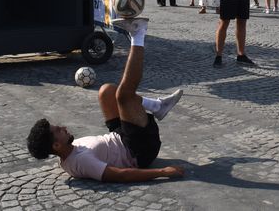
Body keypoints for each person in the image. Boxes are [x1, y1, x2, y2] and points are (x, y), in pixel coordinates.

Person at [26, 18, 185, 182]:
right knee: (124, 95)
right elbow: (119, 174)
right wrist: (162, 171)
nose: (63, 127)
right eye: (58, 130)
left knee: (106, 91)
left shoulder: (67, 151)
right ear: (57, 145)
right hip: (138, 149)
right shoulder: (80, 162)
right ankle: (138, 33)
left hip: (119, 136)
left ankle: (157, 106)